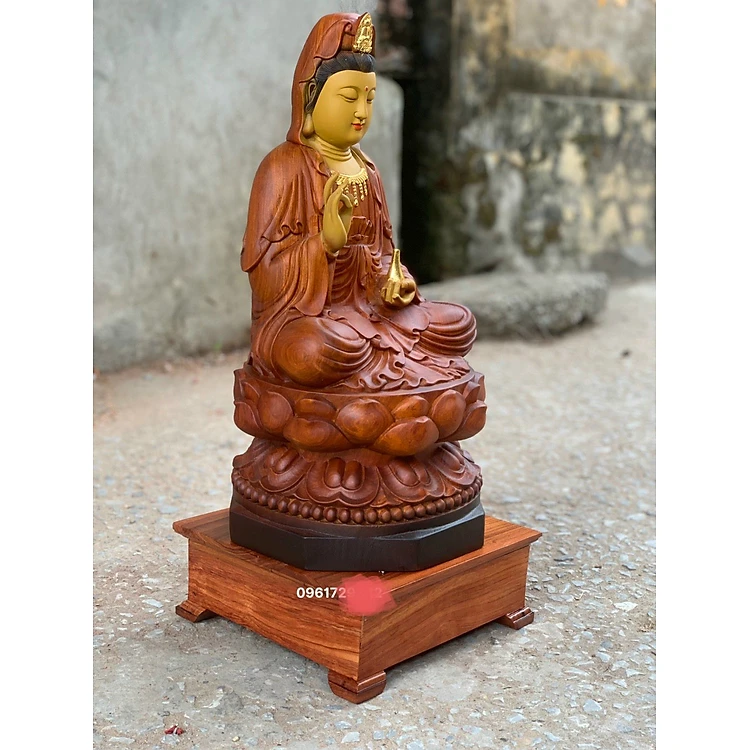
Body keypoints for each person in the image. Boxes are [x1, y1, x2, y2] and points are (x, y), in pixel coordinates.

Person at [241, 12, 476, 391]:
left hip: (373, 314)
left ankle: (383, 370)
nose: (361, 112)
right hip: (310, 321)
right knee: (315, 351)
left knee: (459, 322)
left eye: (370, 98)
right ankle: (383, 374)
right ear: (310, 98)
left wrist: (394, 283)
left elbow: (383, 257)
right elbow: (264, 279)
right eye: (349, 97)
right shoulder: (283, 167)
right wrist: (324, 245)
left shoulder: (368, 171)